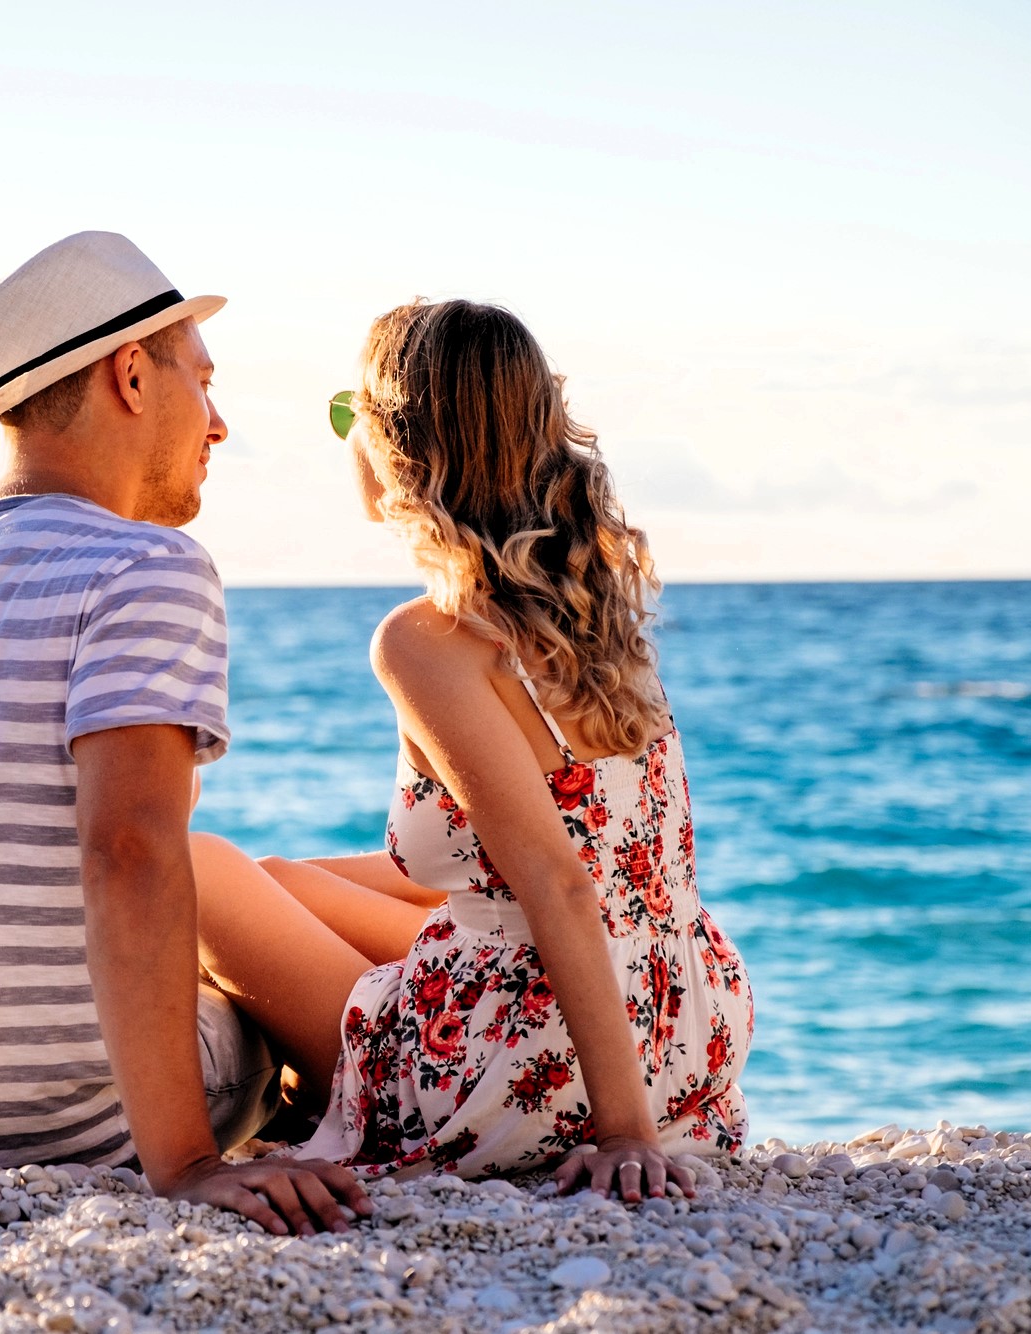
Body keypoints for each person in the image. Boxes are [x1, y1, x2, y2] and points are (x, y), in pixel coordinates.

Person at [0, 231, 370, 1237]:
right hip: (45, 1120)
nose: (217, 424)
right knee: (260, 967)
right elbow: (127, 848)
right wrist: (181, 1162)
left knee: (235, 890)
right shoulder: (144, 564)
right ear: (131, 374)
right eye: (202, 381)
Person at [190, 299, 753, 1201]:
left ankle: (289, 1096)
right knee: (280, 878)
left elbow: (556, 880)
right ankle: (315, 1077)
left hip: (541, 1071)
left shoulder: (426, 641)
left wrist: (625, 1135)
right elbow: (569, 864)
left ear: (398, 445)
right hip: (686, 1030)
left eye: (352, 414)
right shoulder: (591, 613)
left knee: (199, 870)